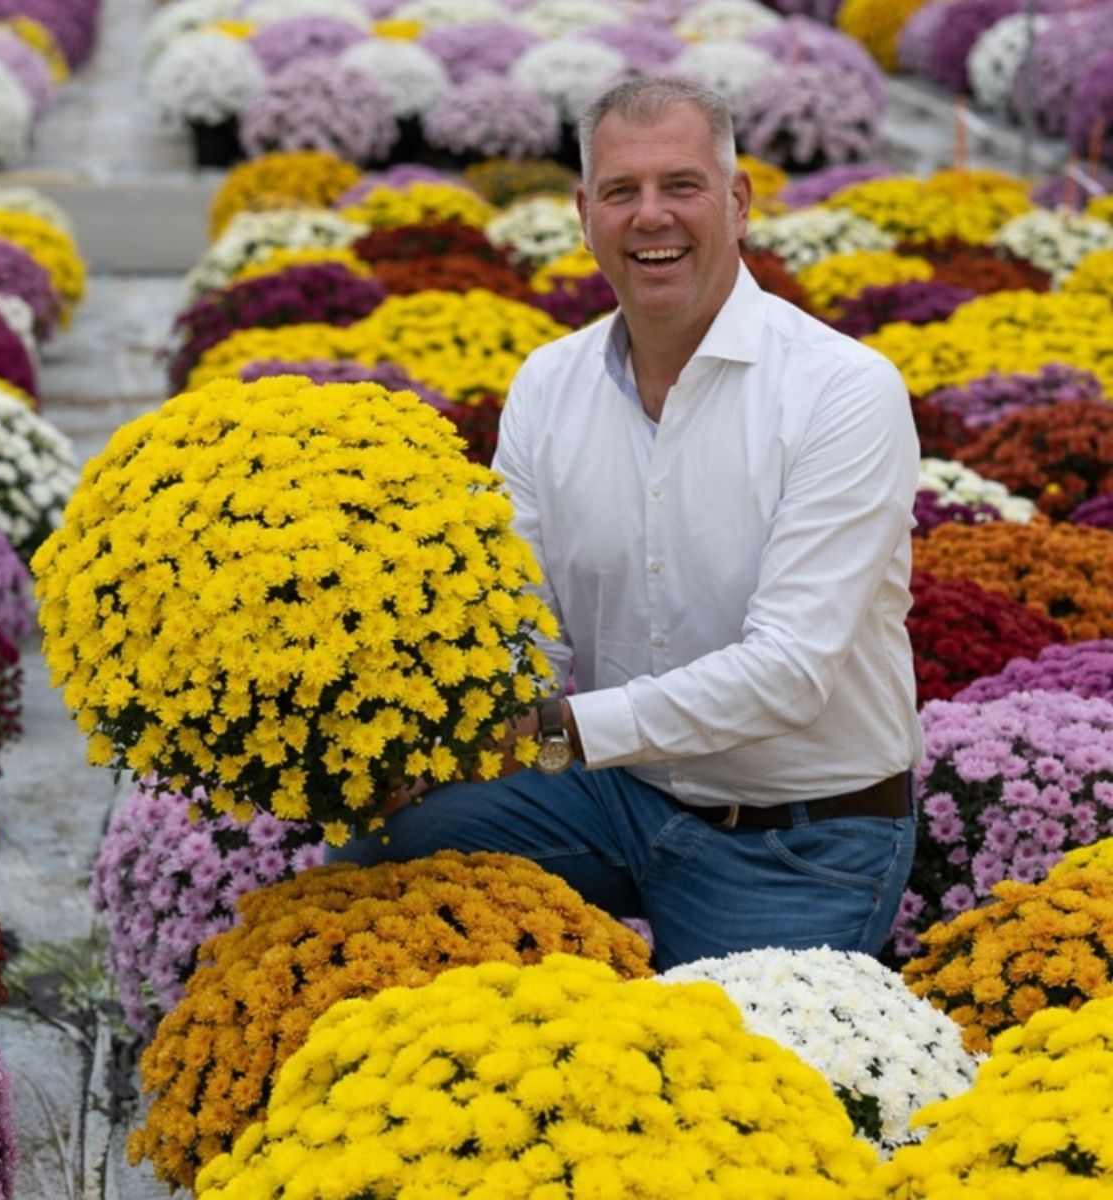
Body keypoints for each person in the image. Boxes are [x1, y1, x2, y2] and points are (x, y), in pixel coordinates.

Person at [331, 77, 922, 970]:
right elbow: (518, 610)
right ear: (584, 211)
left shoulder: (842, 391)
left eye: (681, 186)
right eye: (621, 191)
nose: (652, 216)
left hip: (792, 837)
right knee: (378, 848)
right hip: (614, 798)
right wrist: (433, 722)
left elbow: (791, 673)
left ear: (738, 201)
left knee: (719, 1090)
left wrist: (556, 731)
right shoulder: (548, 384)